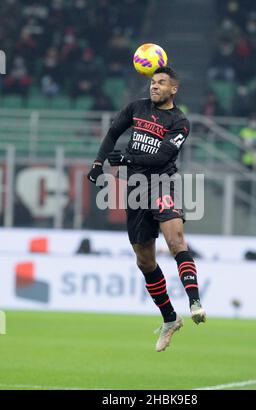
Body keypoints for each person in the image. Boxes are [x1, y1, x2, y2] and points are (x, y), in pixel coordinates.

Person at [87, 66, 206, 352]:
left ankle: (194, 301)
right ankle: (169, 318)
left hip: (162, 183)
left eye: (161, 83)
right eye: (153, 82)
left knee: (176, 241)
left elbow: (164, 155)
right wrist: (97, 162)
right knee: (144, 261)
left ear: (173, 89)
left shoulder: (180, 121)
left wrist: (126, 159)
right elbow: (113, 132)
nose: (154, 86)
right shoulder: (135, 108)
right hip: (135, 189)